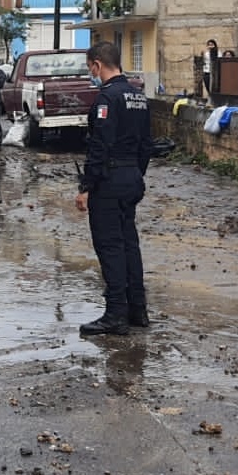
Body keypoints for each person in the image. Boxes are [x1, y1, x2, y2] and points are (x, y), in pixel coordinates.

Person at [75, 41, 152, 337]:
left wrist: (86, 187)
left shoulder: (107, 98)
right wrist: (135, 174)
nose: (91, 73)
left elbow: (100, 146)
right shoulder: (138, 96)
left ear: (96, 64)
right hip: (132, 176)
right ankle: (138, 309)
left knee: (110, 247)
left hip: (110, 180)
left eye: (90, 68)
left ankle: (116, 314)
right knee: (129, 244)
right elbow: (147, 145)